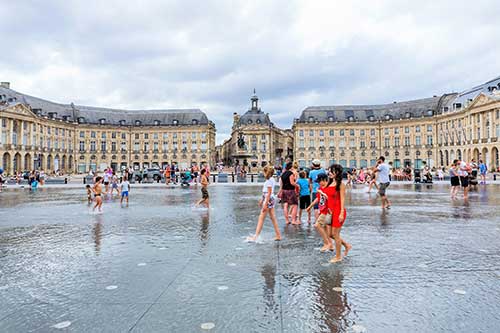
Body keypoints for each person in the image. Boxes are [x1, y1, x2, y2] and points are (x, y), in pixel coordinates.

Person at [247, 165, 281, 242]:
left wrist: (265, 204)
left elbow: (268, 193)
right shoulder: (271, 179)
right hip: (270, 199)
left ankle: (255, 236)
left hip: (268, 199)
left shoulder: (268, 181)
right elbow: (267, 192)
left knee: (261, 218)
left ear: (266, 172)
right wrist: (262, 200)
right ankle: (278, 235)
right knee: (273, 218)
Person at [327, 164, 352, 263]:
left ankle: (338, 256)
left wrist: (341, 213)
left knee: (335, 234)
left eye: (331, 171)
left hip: (338, 211)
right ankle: (346, 245)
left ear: (336, 172)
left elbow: (342, 199)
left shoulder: (341, 184)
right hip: (330, 211)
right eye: (329, 171)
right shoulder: (330, 183)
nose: (329, 173)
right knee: (330, 234)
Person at [306, 173, 332, 252]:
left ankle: (326, 243)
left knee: (317, 225)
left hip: (327, 211)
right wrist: (310, 206)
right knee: (325, 228)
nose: (318, 183)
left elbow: (329, 199)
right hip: (322, 210)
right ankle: (330, 245)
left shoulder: (328, 188)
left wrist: (322, 193)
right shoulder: (321, 187)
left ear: (324, 180)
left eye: (319, 181)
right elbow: (318, 199)